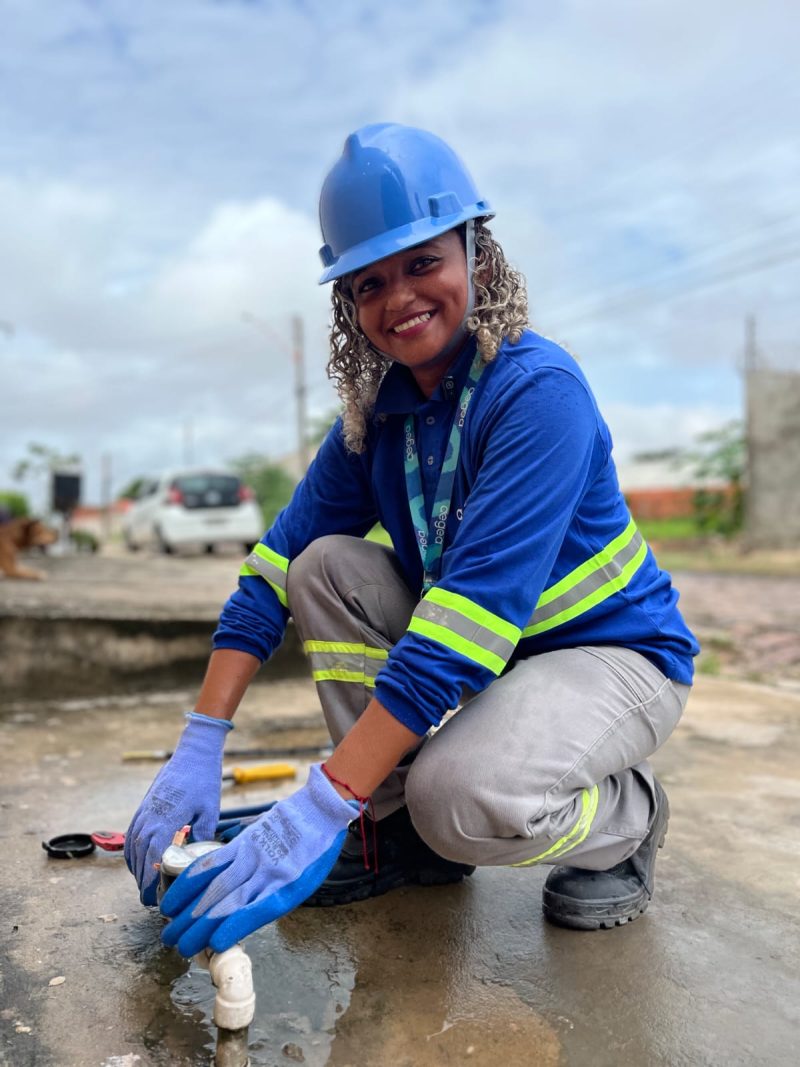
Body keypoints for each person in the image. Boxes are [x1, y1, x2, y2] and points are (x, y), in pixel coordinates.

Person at [125, 122, 699, 957]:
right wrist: (201, 740)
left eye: (423, 263)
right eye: (368, 282)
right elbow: (274, 572)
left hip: (613, 657)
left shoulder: (538, 393)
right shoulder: (378, 418)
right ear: (347, 305)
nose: (398, 299)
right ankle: (394, 834)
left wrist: (321, 803)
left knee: (461, 798)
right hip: (502, 656)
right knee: (324, 565)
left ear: (478, 256)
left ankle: (627, 817)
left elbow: (461, 627)